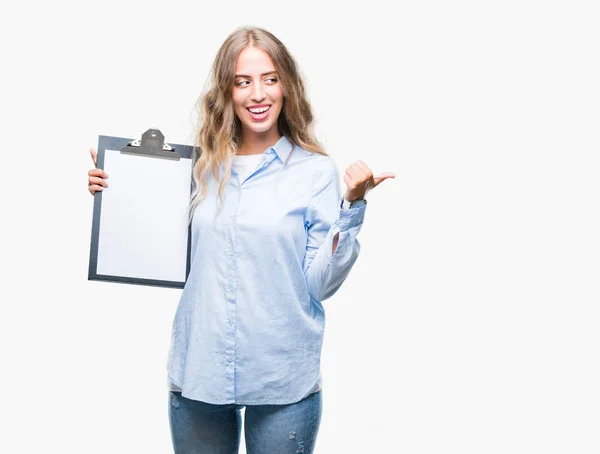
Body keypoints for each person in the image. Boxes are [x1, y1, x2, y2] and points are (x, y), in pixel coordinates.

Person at [87, 26, 395, 454]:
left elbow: (319, 285)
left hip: (282, 374)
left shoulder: (314, 171)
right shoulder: (195, 168)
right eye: (242, 81)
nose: (257, 93)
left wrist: (352, 208)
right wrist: (117, 189)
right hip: (200, 370)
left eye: (269, 78)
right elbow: (153, 240)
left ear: (286, 85)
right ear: (227, 91)